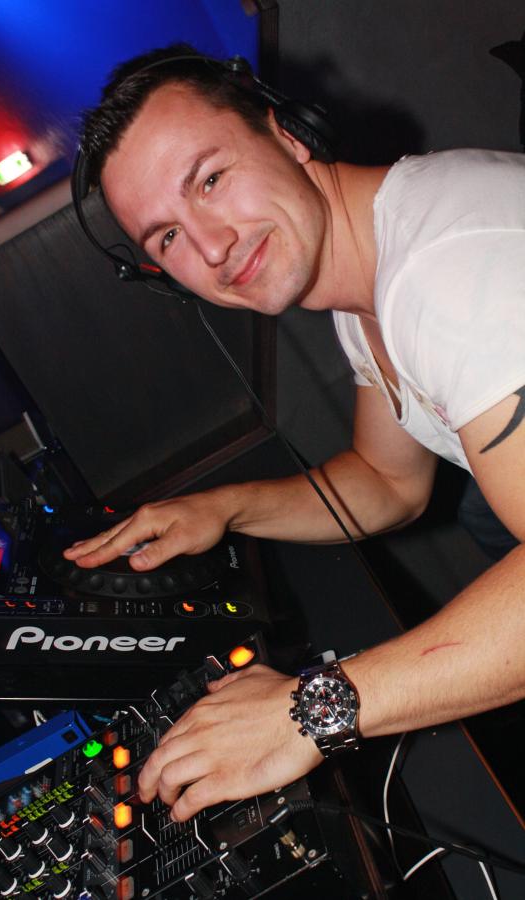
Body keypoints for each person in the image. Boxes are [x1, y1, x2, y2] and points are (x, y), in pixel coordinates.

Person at [65, 45, 525, 823]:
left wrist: (311, 711)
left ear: (290, 134)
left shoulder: (444, 273)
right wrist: (224, 508)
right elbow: (388, 483)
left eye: (210, 180)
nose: (212, 247)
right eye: (167, 238)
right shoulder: (368, 274)